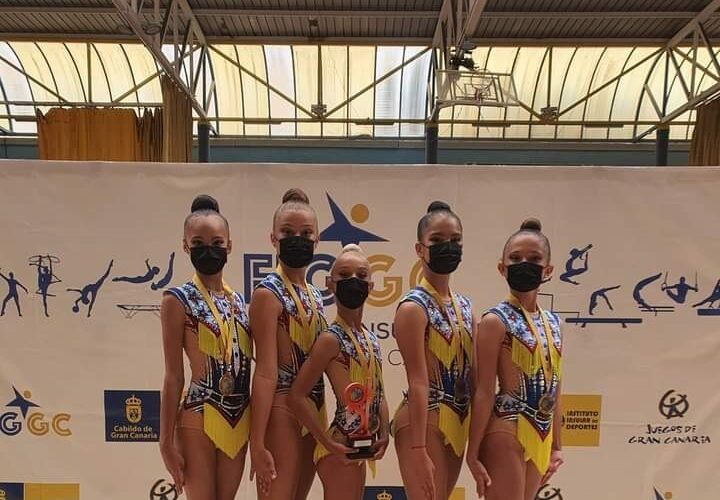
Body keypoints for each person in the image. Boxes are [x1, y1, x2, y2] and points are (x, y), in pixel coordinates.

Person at [159, 195, 252, 500]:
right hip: (199, 415)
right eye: (198, 243)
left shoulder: (238, 301)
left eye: (216, 242)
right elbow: (173, 376)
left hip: (239, 417)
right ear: (185, 246)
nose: (208, 250)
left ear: (229, 245)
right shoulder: (177, 300)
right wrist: (165, 442)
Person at [467, 218, 564, 500]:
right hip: (506, 428)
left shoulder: (554, 322)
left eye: (534, 259)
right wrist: (472, 452)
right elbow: (484, 390)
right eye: (516, 258)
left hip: (541, 432)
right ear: (502, 267)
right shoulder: (495, 321)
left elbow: (556, 387)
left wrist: (558, 445)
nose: (524, 264)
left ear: (548, 269)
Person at [288, 244, 390, 500]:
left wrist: (385, 433)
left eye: (361, 275)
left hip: (362, 443)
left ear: (371, 285)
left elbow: (379, 392)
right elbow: (296, 396)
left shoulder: (370, 338)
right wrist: (326, 442)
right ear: (330, 284)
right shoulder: (330, 340)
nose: (353, 280)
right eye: (344, 275)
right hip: (341, 443)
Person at [250, 188, 328, 499]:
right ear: (273, 239)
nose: (298, 239)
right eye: (288, 233)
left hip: (314, 408)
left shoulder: (316, 295)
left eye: (306, 233)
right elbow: (265, 372)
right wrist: (257, 441)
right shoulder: (267, 294)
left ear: (317, 239)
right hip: (282, 408)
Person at [393, 201, 474, 500]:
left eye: (455, 240)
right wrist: (418, 448)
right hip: (424, 420)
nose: (447, 247)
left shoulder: (465, 306)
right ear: (420, 249)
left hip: (457, 421)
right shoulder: (413, 308)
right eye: (437, 240)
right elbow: (417, 380)